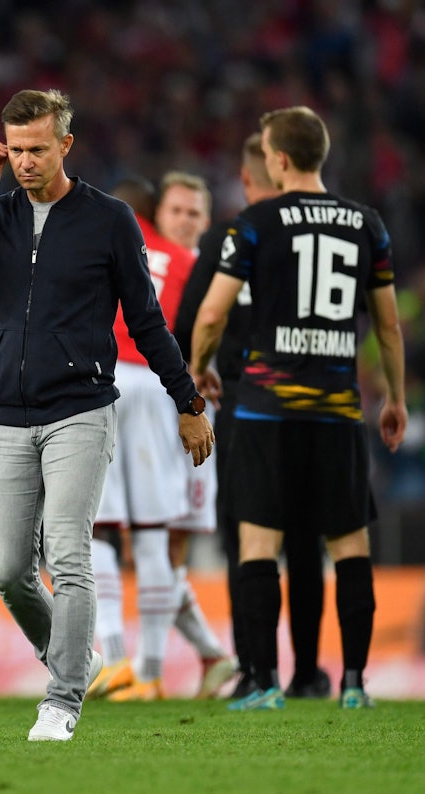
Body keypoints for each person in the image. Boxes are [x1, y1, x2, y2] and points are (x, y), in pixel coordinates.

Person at [0, 88, 214, 741]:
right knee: (7, 572)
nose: (25, 162)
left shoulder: (108, 219)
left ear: (64, 145)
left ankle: (61, 699)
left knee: (69, 553)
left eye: (36, 148)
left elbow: (145, 320)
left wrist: (187, 401)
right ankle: (73, 655)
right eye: (15, 149)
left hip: (81, 412)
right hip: (5, 416)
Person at [190, 105, 406, 710]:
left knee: (259, 544)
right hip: (338, 412)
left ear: (278, 159)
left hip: (265, 410)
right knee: (349, 546)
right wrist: (395, 397)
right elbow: (387, 327)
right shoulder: (368, 223)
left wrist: (201, 366)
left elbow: (210, 313)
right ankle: (355, 683)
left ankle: (263, 684)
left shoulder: (257, 221)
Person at [173, 134, 330, 700]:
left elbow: (191, 320)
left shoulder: (227, 237)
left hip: (243, 405)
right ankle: (309, 673)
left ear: (245, 178)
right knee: (308, 540)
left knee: (248, 540)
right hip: (316, 405)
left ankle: (254, 670)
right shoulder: (320, 233)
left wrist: (200, 368)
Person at [87, 176, 195, 703]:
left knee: (99, 529)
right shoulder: (183, 258)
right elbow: (199, 327)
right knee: (152, 533)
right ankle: (152, 673)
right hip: (159, 382)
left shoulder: (99, 238)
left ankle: (116, 659)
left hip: (107, 382)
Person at [154, 171, 239, 698]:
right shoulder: (143, 268)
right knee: (141, 542)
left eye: (194, 213)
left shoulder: (216, 278)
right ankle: (208, 655)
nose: (185, 220)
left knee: (170, 542)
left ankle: (147, 668)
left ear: (207, 223)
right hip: (140, 412)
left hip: (192, 419)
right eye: (176, 211)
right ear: (159, 217)